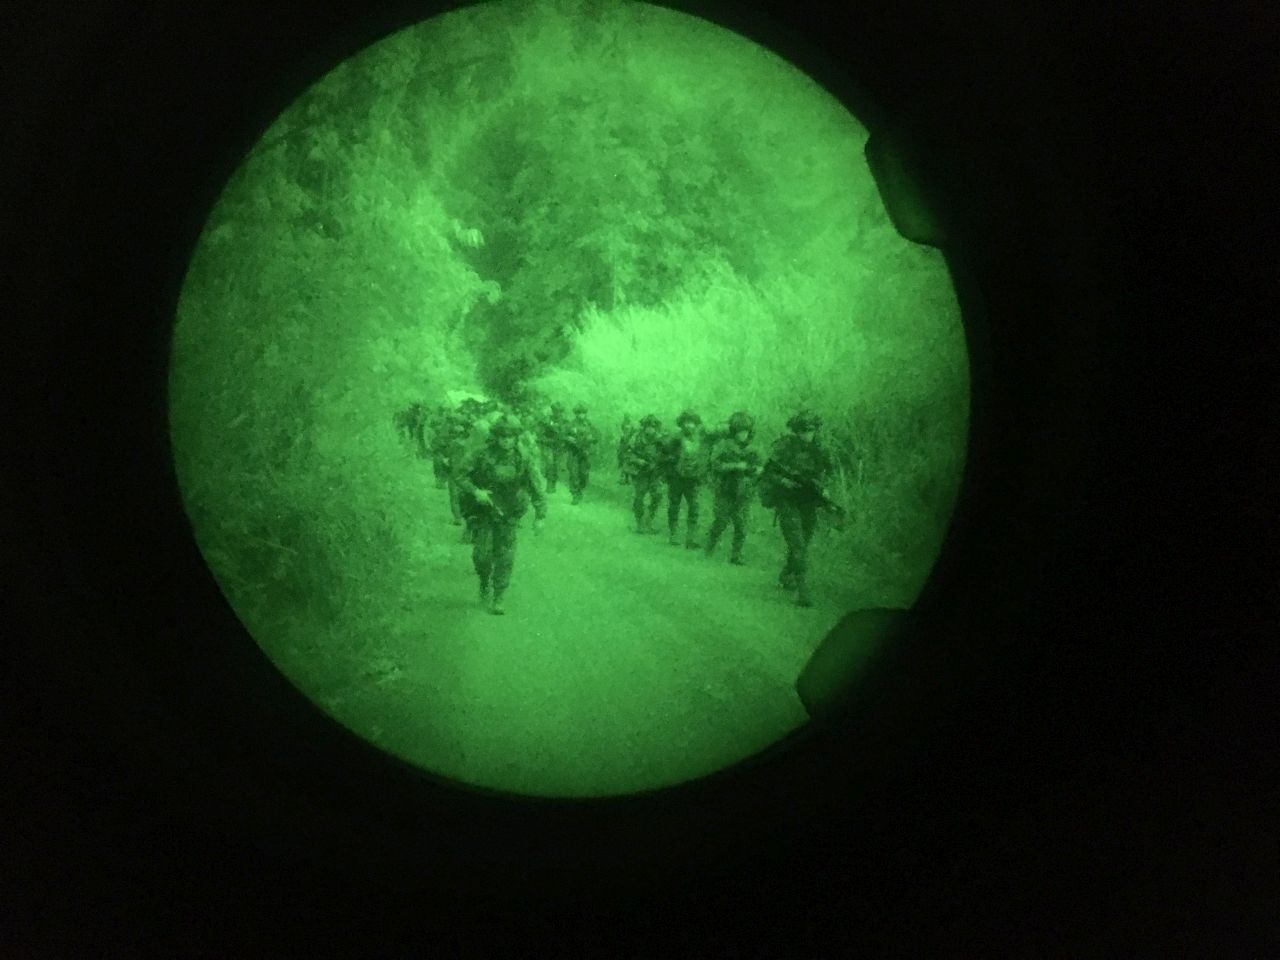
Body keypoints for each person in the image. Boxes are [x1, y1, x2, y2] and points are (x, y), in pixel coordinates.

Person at [453, 414, 547, 615]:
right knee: (481, 556)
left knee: (505, 556)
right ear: (496, 436)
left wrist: (540, 516)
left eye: (510, 436)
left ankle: (499, 596)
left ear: (516, 437)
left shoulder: (524, 458)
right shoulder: (481, 454)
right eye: (502, 436)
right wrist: (476, 491)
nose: (506, 440)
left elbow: (536, 486)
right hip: (484, 511)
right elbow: (459, 475)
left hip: (509, 513)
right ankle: (484, 581)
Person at [759, 409, 836, 608]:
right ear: (796, 430)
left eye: (811, 430)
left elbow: (830, 470)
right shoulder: (785, 445)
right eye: (803, 430)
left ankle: (786, 574)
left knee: (804, 543)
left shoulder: (820, 448)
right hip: (788, 501)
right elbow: (768, 472)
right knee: (797, 545)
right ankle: (803, 590)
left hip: (809, 501)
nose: (807, 434)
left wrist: (825, 487)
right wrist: (783, 481)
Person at [704, 411, 763, 565]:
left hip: (744, 492)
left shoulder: (754, 450)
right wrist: (734, 466)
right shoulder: (724, 446)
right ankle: (709, 547)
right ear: (733, 432)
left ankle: (736, 555)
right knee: (721, 522)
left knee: (741, 525)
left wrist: (756, 470)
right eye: (739, 431)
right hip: (725, 490)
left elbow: (761, 468)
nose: (742, 435)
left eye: (745, 431)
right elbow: (714, 465)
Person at [665, 409, 711, 548]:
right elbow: (665, 455)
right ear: (682, 424)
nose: (689, 425)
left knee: (694, 508)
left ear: (696, 424)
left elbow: (705, 455)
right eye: (686, 422)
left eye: (692, 423)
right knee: (674, 506)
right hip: (677, 478)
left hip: (693, 479)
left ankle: (690, 539)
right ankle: (673, 535)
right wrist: (672, 465)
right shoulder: (675, 439)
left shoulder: (700, 439)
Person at [624, 415, 668, 534]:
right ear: (644, 427)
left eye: (653, 427)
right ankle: (639, 523)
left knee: (657, 496)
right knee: (639, 497)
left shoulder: (660, 439)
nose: (650, 429)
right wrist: (637, 460)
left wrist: (660, 463)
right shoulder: (636, 438)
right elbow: (628, 453)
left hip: (655, 472)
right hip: (640, 472)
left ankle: (649, 522)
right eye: (648, 426)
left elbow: (666, 453)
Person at [562, 403, 599, 505]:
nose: (581, 415)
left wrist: (591, 438)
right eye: (579, 413)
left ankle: (580, 489)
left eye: (583, 413)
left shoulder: (589, 424)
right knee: (574, 474)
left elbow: (597, 435)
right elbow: (562, 435)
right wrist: (568, 438)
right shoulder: (571, 424)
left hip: (585, 452)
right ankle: (575, 494)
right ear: (576, 414)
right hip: (573, 452)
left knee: (584, 475)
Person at [537, 403, 566, 494]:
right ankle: (549, 485)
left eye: (560, 412)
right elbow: (540, 434)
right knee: (549, 465)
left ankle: (553, 485)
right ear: (553, 411)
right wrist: (545, 440)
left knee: (556, 467)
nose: (558, 413)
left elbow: (568, 433)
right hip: (548, 446)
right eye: (556, 411)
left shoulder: (564, 422)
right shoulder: (546, 421)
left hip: (559, 447)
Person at [617, 414, 635, 485]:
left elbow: (633, 432)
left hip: (629, 446)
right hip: (624, 447)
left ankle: (628, 478)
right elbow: (621, 443)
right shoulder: (623, 425)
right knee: (623, 461)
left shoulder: (631, 425)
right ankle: (624, 478)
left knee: (629, 461)